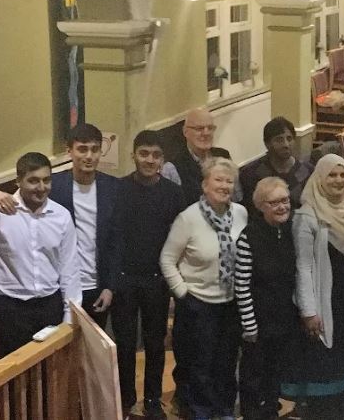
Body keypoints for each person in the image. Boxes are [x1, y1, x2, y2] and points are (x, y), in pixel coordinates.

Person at [0, 123, 120, 329]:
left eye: (95, 149)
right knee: (60, 352)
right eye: (82, 149)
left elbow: (116, 242)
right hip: (58, 288)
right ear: (70, 151)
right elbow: (17, 200)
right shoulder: (53, 185)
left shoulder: (113, 187)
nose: (89, 156)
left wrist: (110, 287)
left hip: (97, 286)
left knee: (93, 353)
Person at [285, 155, 344, 418]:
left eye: (343, 175)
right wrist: (309, 311)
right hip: (327, 304)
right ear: (320, 178)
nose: (338, 180)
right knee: (326, 373)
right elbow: (303, 266)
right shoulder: (308, 214)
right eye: (332, 175)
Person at [0, 152, 80, 359]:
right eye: (33, 181)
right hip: (10, 310)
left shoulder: (62, 216)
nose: (41, 187)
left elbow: (70, 268)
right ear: (18, 181)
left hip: (49, 307)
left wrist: (69, 315)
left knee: (50, 374)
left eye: (46, 180)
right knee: (14, 376)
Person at [160, 156, 247, 420]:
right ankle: (200, 412)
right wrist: (183, 293)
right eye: (218, 180)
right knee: (200, 365)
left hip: (231, 302)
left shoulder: (240, 214)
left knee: (227, 362)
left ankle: (224, 410)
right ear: (205, 185)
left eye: (229, 180)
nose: (224, 185)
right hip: (198, 304)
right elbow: (167, 259)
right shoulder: (188, 218)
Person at [113, 131, 186, 418]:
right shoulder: (119, 190)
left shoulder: (173, 193)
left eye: (156, 155)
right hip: (125, 278)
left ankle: (153, 399)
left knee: (156, 342)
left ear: (163, 160)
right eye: (144, 154)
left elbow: (181, 238)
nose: (149, 160)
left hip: (158, 279)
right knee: (125, 342)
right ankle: (126, 396)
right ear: (133, 156)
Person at [235, 177, 298, 420]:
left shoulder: (290, 231)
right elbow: (241, 285)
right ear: (261, 206)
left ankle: (270, 410)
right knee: (253, 377)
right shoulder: (248, 237)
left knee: (275, 373)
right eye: (274, 203)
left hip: (283, 319)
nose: (282, 207)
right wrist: (250, 325)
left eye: (285, 201)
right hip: (257, 323)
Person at [239, 117, 313, 216]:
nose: (286, 144)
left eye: (289, 139)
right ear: (267, 144)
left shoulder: (308, 172)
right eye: (279, 140)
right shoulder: (250, 174)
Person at [164, 107, 234, 205]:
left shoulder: (223, 156)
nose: (206, 133)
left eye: (210, 128)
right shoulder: (172, 168)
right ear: (185, 132)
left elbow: (236, 197)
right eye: (199, 128)